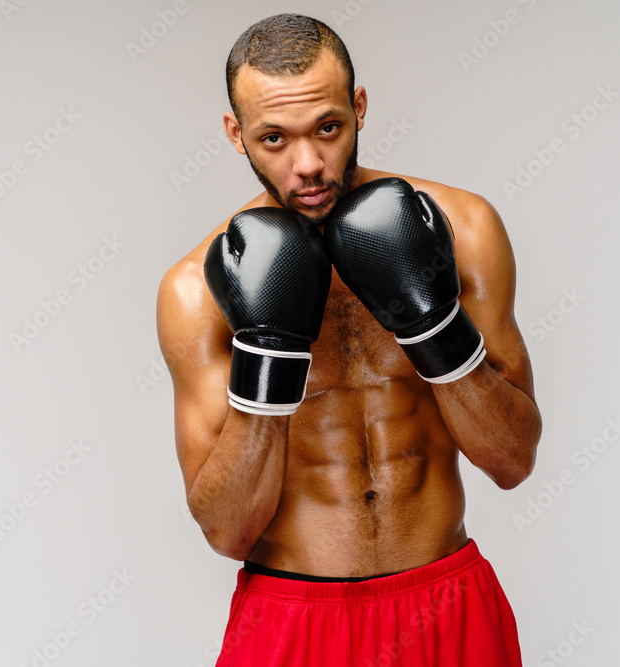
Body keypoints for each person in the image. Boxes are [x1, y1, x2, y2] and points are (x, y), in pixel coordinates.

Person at [156, 13, 541, 667]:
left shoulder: (465, 229)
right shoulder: (196, 290)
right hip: (291, 620)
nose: (308, 165)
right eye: (274, 138)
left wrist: (433, 326)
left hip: (444, 604)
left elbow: (512, 460)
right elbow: (226, 529)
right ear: (235, 133)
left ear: (359, 107)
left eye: (327, 128)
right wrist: (268, 362)